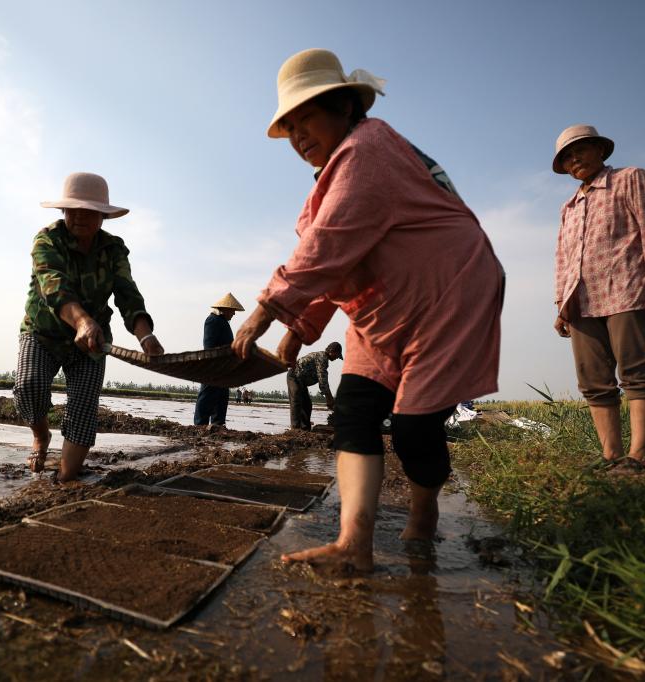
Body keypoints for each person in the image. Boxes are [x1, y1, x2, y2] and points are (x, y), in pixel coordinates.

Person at [232, 49, 503, 571]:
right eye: (288, 129)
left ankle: (423, 509)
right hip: (379, 309)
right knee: (353, 412)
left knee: (413, 425)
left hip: (448, 295)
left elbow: (327, 247)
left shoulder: (369, 148)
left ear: (342, 106)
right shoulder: (326, 185)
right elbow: (333, 265)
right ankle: (353, 543)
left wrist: (266, 309)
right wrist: (299, 329)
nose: (297, 137)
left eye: (304, 119)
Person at [14, 172, 164, 482]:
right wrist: (82, 322)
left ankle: (67, 477)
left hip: (93, 342)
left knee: (83, 409)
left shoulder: (114, 249)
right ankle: (41, 436)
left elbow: (127, 294)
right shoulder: (47, 240)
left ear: (103, 217)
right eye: (74, 209)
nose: (81, 216)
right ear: (63, 212)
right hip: (44, 333)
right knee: (29, 386)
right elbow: (54, 287)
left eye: (90, 211)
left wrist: (145, 335)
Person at [552, 125, 645, 469]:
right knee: (593, 381)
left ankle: (638, 457)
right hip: (582, 302)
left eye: (580, 149)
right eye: (566, 157)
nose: (574, 159)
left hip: (627, 291)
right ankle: (611, 456)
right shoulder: (570, 206)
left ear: (600, 150)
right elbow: (563, 257)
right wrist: (561, 305)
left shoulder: (631, 178)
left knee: (637, 373)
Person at [193, 293, 245, 427]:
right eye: (233, 311)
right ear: (225, 309)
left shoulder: (222, 322)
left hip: (223, 365)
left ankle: (218, 424)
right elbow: (209, 345)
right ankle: (200, 425)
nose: (234, 314)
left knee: (221, 396)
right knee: (207, 395)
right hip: (213, 364)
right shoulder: (213, 320)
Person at [287, 341, 342, 430]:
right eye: (337, 355)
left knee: (307, 404)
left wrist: (329, 397)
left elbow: (323, 378)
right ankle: (295, 428)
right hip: (294, 376)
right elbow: (322, 379)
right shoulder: (322, 357)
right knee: (296, 400)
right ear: (331, 351)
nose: (336, 358)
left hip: (302, 382)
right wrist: (329, 398)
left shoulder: (324, 361)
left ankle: (305, 428)